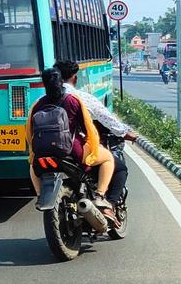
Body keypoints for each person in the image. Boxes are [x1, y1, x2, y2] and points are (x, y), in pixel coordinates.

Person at [26, 67, 117, 209]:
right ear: (62, 82)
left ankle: (39, 194)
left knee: (33, 163)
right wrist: (94, 144)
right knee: (108, 158)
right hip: (72, 151)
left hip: (43, 151)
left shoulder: (37, 104)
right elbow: (88, 127)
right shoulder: (72, 100)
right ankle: (99, 196)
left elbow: (29, 132)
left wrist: (34, 152)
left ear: (44, 84)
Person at [53, 60, 138, 207]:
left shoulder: (42, 100)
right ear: (75, 78)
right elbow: (109, 121)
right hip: (75, 149)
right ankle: (104, 202)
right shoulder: (81, 98)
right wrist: (127, 133)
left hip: (46, 150)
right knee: (116, 166)